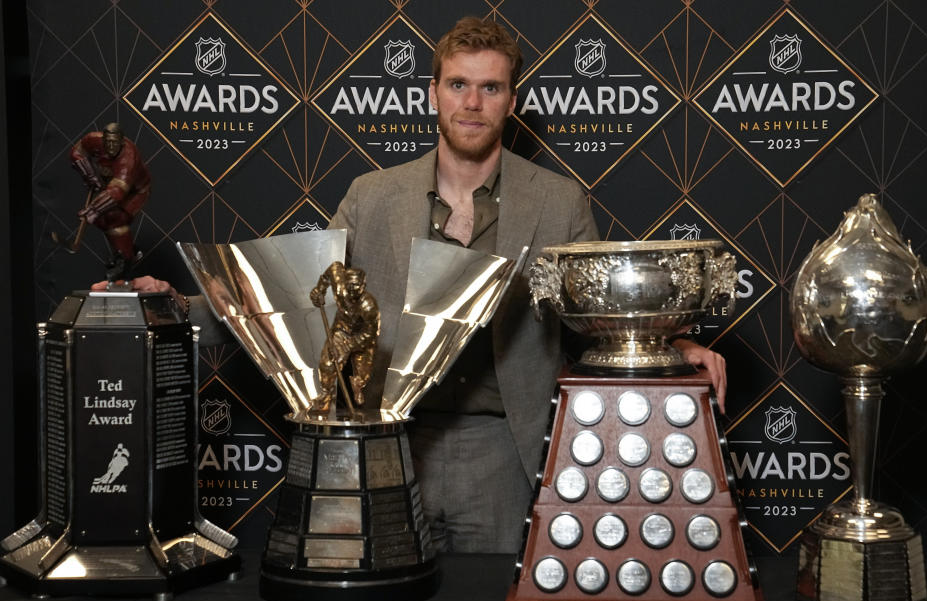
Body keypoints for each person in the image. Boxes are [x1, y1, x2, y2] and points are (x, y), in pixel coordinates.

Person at [98, 17, 726, 554]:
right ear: (433, 93)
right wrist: (169, 308)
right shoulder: (372, 197)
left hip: (505, 450)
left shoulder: (558, 202)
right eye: (458, 85)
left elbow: (591, 315)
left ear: (511, 100)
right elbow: (298, 300)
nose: (472, 103)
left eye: (490, 88)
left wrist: (669, 353)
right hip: (389, 441)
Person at [70, 122, 151, 278]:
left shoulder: (129, 156)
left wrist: (92, 210)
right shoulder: (93, 139)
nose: (111, 146)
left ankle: (126, 259)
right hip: (112, 187)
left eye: (115, 143)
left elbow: (117, 192)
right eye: (108, 142)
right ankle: (126, 251)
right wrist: (89, 175)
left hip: (135, 191)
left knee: (115, 218)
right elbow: (75, 152)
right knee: (103, 221)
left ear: (122, 142)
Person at [309, 261, 379, 412]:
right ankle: (326, 394)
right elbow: (333, 269)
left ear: (363, 285)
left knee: (364, 372)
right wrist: (319, 291)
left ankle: (358, 385)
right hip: (342, 329)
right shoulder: (340, 286)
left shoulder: (369, 306)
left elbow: (370, 333)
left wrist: (347, 346)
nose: (352, 294)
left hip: (363, 337)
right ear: (344, 283)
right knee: (327, 364)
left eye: (357, 289)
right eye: (349, 289)